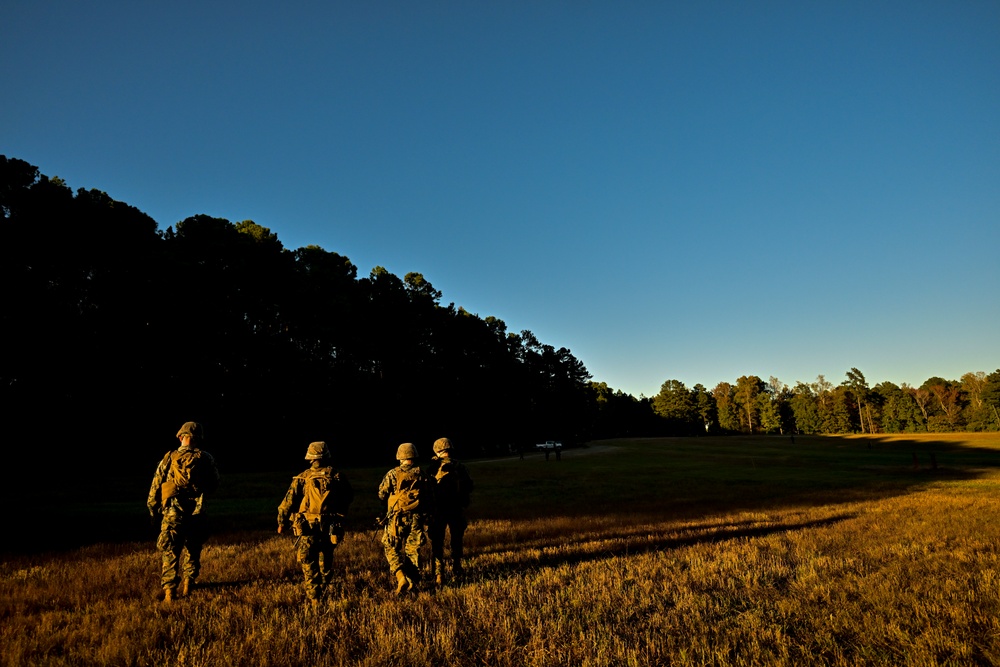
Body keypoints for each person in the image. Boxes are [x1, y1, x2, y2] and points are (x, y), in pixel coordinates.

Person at [147, 421, 219, 602]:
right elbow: (214, 484)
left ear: (181, 437)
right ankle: (189, 584)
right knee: (192, 549)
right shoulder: (206, 458)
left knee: (170, 550)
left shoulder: (169, 458)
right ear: (198, 439)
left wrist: (153, 511)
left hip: (172, 512)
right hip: (196, 511)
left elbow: (155, 486)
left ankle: (170, 593)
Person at [277, 441, 354, 606]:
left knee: (308, 560)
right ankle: (324, 586)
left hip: (308, 527)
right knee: (326, 557)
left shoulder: (302, 477)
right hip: (330, 526)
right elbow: (348, 497)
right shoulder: (337, 476)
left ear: (310, 458)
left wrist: (281, 521)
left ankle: (314, 598)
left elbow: (288, 502)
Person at [378, 442, 431, 596]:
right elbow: (429, 497)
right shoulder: (422, 474)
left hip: (396, 518)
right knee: (413, 550)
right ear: (414, 455)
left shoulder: (392, 474)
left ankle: (400, 576)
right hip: (416, 518)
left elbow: (381, 494)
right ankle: (412, 581)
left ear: (399, 457)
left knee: (390, 547)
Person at [426, 437, 473, 586]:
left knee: (437, 542)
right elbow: (469, 486)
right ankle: (457, 566)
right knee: (456, 539)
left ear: (437, 450)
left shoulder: (432, 467)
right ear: (450, 449)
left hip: (438, 510)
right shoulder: (459, 466)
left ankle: (439, 574)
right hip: (456, 509)